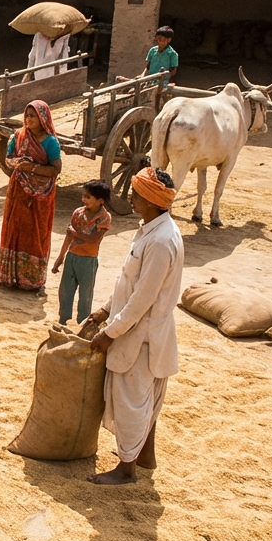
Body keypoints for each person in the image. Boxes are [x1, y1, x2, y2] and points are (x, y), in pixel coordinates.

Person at [84, 167, 183, 486]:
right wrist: (104, 310)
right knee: (144, 401)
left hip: (142, 337)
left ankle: (126, 470)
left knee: (131, 403)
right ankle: (145, 455)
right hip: (140, 332)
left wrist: (110, 333)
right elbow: (127, 282)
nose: (132, 197)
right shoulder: (153, 230)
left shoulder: (161, 241)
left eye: (138, 194)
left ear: (154, 201)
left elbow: (142, 299)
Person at [0, 101, 63, 291]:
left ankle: (32, 281)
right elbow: (8, 159)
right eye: (27, 115)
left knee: (35, 233)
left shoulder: (50, 142)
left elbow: (55, 169)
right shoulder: (18, 136)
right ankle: (8, 277)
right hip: (18, 191)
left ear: (43, 118)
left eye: (33, 116)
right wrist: (17, 163)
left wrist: (31, 168)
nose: (29, 119)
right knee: (14, 229)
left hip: (40, 197)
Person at [52, 179, 112, 326]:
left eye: (88, 197)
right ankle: (63, 321)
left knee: (85, 295)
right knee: (65, 292)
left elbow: (93, 239)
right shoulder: (78, 213)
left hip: (88, 260)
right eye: (84, 196)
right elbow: (68, 236)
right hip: (72, 257)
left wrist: (75, 233)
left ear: (100, 201)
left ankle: (82, 323)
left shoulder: (104, 218)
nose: (84, 200)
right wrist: (61, 257)